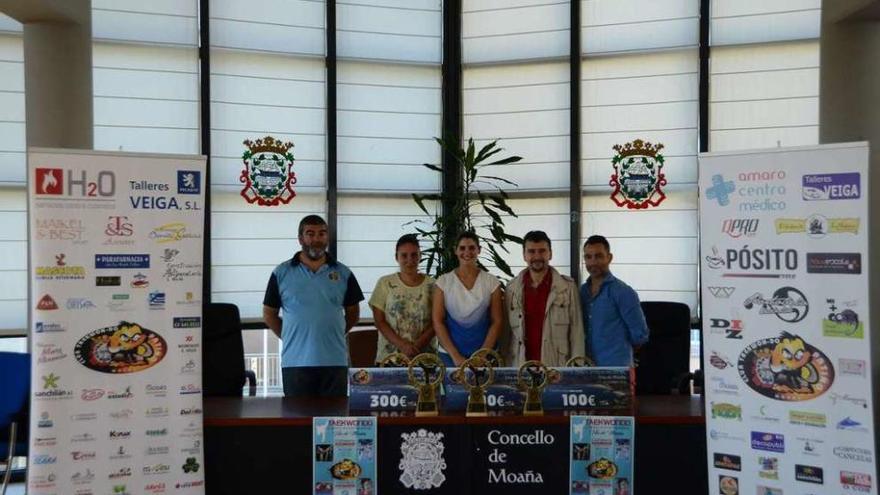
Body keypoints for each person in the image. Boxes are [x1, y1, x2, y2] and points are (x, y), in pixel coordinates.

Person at [263, 215, 364, 397]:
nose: (316, 240)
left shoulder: (343, 272)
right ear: (300, 238)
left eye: (322, 234)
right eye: (310, 234)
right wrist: (289, 335)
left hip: (335, 362)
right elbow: (269, 314)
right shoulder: (281, 273)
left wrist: (335, 332)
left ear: (327, 238)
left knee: (334, 421)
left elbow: (353, 313)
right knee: (298, 423)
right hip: (295, 363)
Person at [503, 230, 584, 366]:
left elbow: (577, 332)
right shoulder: (512, 289)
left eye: (542, 251)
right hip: (521, 368)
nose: (537, 256)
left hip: (556, 367)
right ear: (524, 255)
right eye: (531, 251)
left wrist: (576, 368)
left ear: (550, 254)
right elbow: (505, 335)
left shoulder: (567, 288)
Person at [432, 232, 504, 367]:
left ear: (479, 250)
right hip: (450, 355)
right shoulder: (443, 282)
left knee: (485, 389)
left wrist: (482, 355)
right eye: (462, 248)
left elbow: (497, 321)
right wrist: (455, 356)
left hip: (485, 356)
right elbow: (438, 321)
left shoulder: (492, 282)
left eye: (471, 248)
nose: (467, 252)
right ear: (455, 251)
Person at [580, 235, 648, 366]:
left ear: (609, 258)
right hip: (587, 368)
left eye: (598, 256)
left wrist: (619, 353)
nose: (593, 262)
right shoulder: (581, 292)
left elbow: (640, 336)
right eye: (588, 257)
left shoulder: (623, 292)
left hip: (616, 370)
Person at [368, 234, 436, 363]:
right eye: (404, 255)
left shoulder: (433, 285)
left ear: (420, 256)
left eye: (414, 255)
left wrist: (416, 347)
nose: (409, 260)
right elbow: (379, 321)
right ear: (396, 257)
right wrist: (403, 346)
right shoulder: (384, 283)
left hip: (425, 359)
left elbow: (437, 321)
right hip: (390, 359)